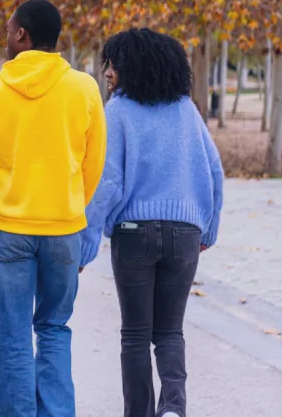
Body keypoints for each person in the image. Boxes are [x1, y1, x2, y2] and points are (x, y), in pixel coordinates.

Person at [80, 28, 224, 417]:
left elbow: (107, 182)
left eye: (113, 64)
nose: (108, 72)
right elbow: (214, 171)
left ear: (133, 67)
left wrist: (87, 239)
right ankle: (174, 408)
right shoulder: (186, 110)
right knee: (170, 332)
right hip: (184, 235)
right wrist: (208, 229)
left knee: (136, 334)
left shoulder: (119, 112)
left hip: (133, 236)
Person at [0, 0, 107, 417]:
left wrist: (11, 195)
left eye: (8, 27)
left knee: (13, 336)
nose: (4, 35)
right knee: (54, 328)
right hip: (64, 228)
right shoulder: (85, 88)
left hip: (11, 227)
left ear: (21, 35)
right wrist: (69, 203)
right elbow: (94, 161)